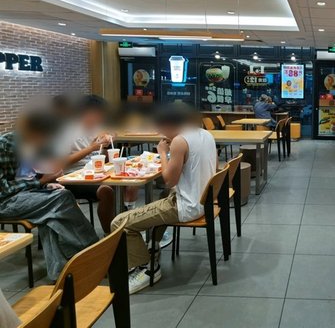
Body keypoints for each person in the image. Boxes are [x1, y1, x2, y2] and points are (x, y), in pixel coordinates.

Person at [111, 103, 217, 294]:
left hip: (187, 206)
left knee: (119, 223)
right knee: (161, 197)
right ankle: (152, 247)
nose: (161, 133)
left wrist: (162, 152)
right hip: (204, 201)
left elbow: (168, 181)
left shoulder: (180, 141)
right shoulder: (206, 134)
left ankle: (147, 268)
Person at [0, 110, 99, 280]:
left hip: (29, 195)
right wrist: (40, 182)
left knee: (51, 216)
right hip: (6, 202)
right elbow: (3, 190)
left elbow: (34, 174)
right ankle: (92, 251)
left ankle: (59, 273)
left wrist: (47, 182)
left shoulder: (39, 145)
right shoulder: (5, 145)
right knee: (62, 198)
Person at [63, 95, 115, 233]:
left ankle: (120, 226)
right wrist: (90, 148)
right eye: (98, 114)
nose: (100, 119)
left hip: (95, 173)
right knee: (106, 190)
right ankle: (110, 234)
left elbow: (101, 159)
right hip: (73, 177)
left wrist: (106, 146)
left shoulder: (97, 129)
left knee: (126, 184)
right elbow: (61, 163)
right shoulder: (67, 132)